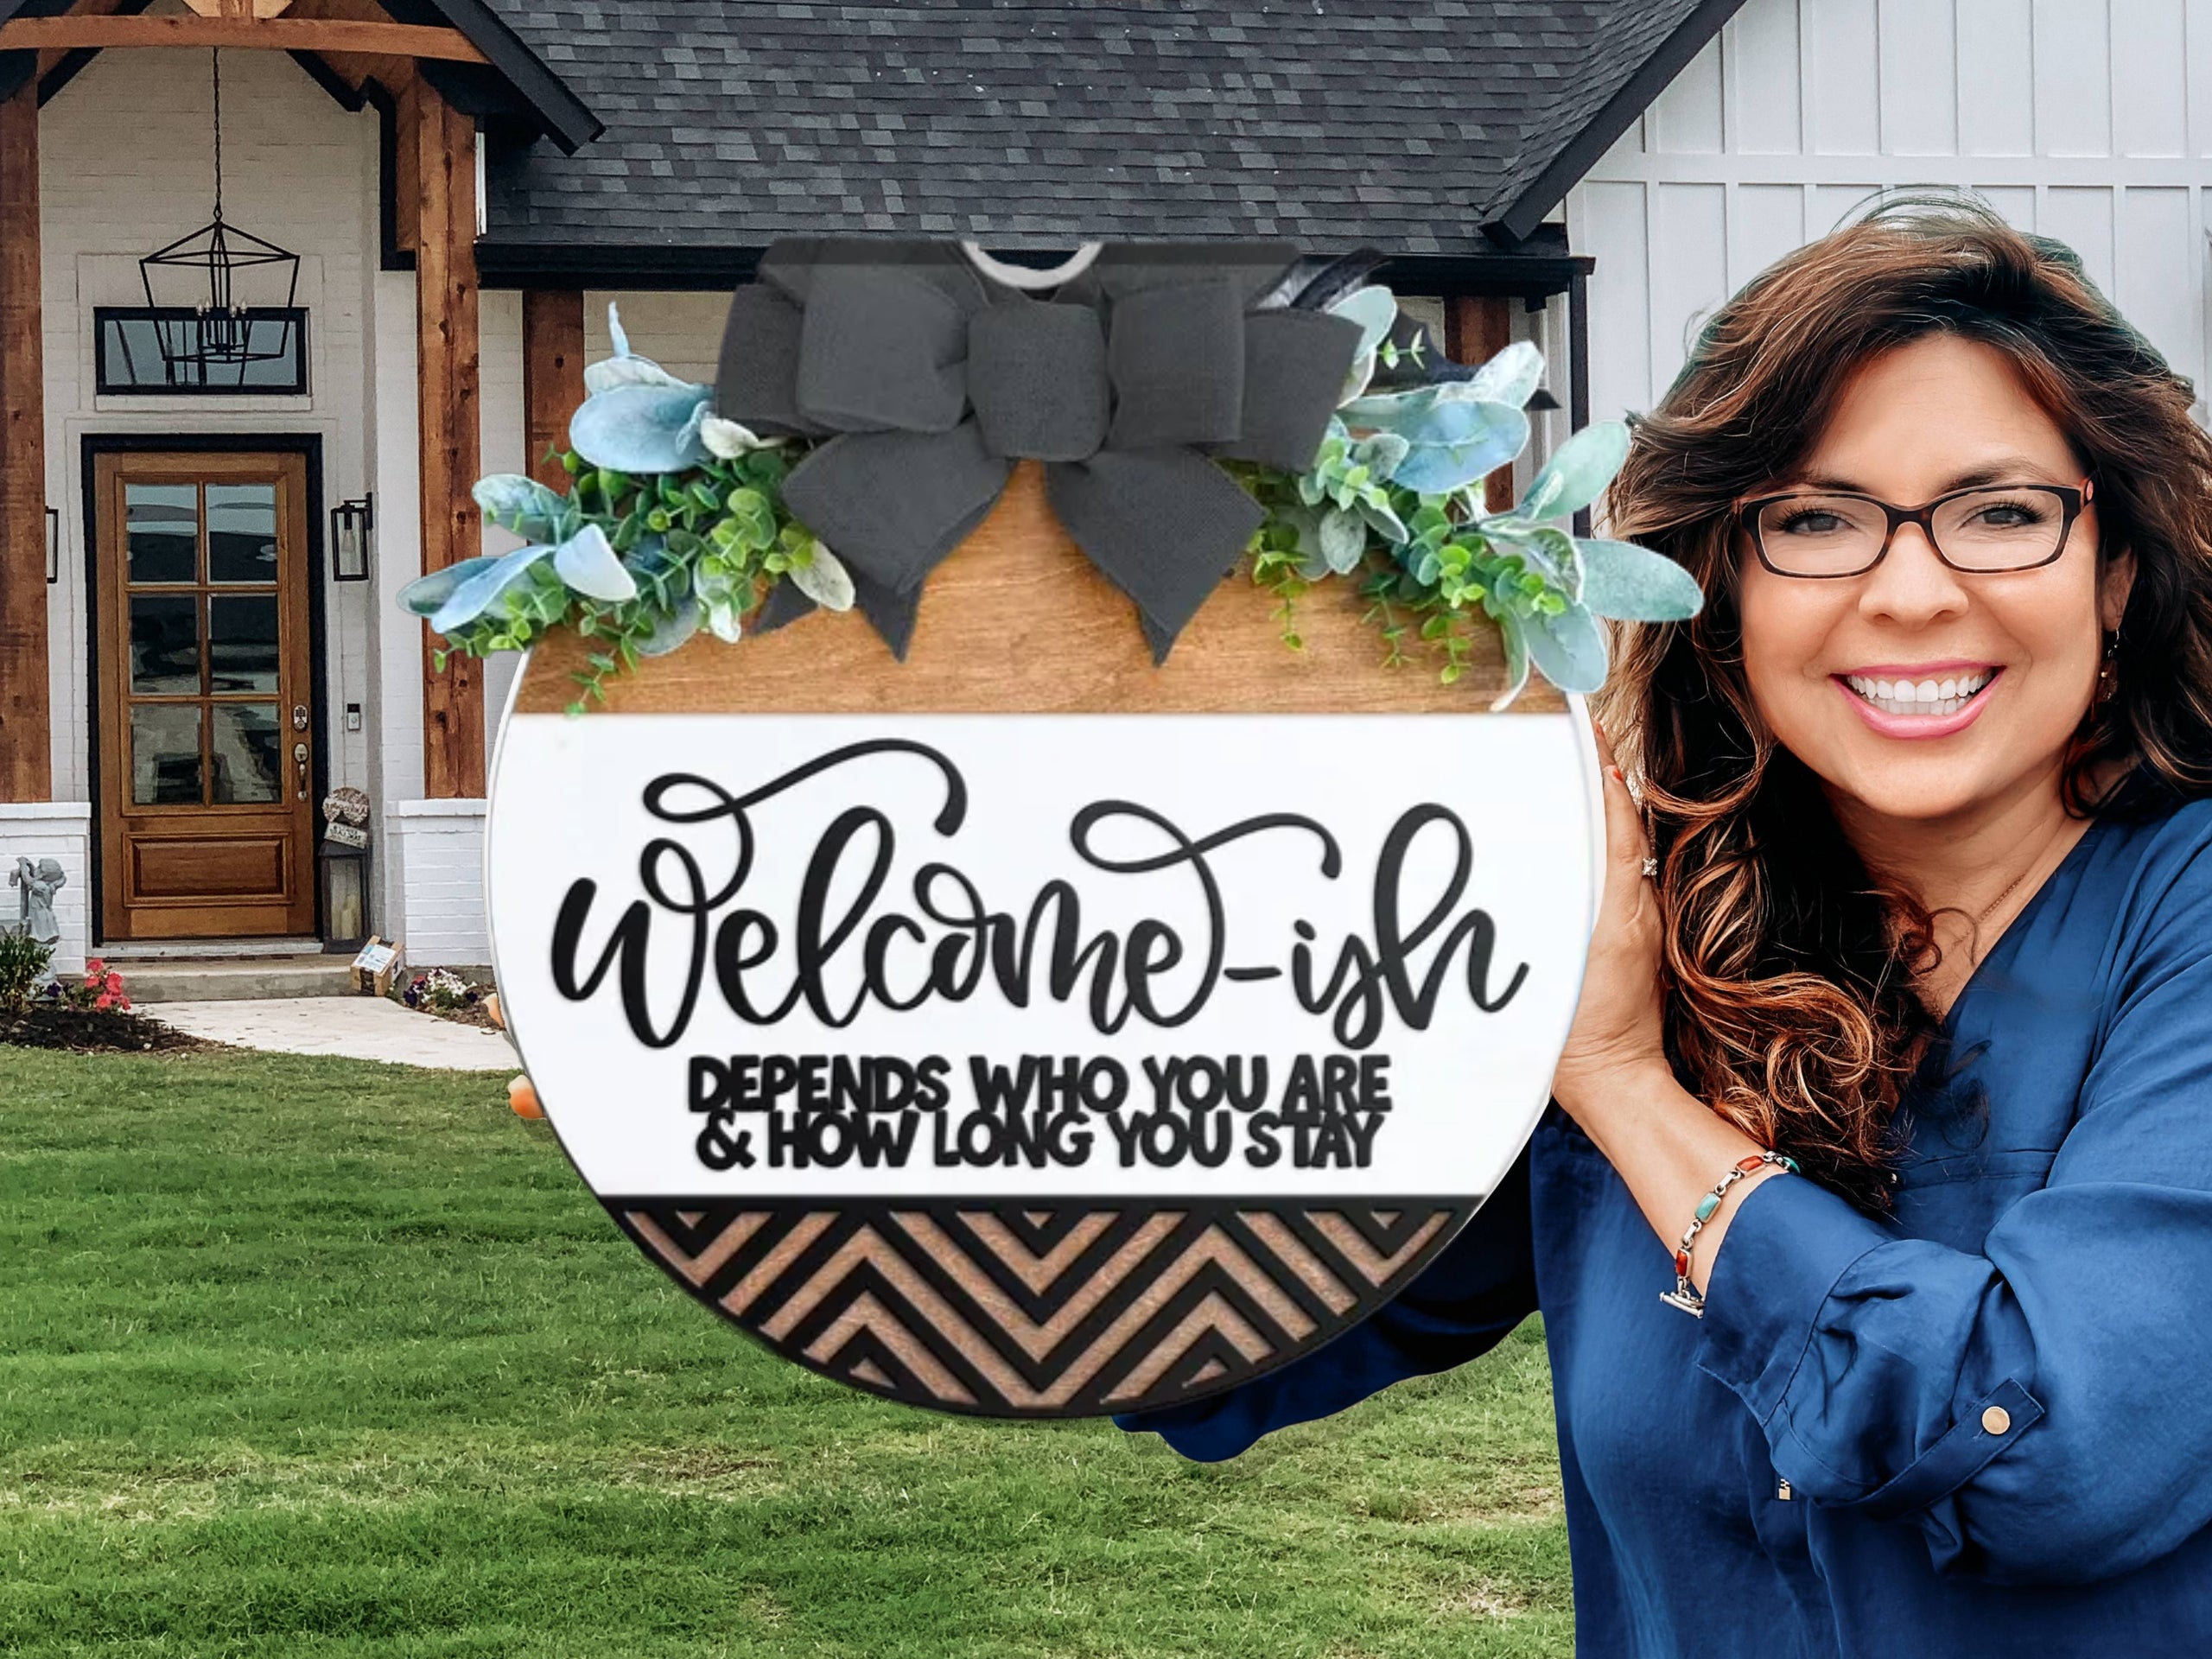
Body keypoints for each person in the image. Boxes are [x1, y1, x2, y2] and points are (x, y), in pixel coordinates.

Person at [1117, 198, 2212, 1656]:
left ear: (2116, 571)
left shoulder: (2177, 925)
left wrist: (1629, 1090)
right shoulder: (1642, 929)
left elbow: (2047, 1457)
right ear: (1724, 590)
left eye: (2000, 512)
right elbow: (1207, 1338)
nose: (1908, 591)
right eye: (1815, 520)